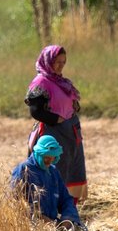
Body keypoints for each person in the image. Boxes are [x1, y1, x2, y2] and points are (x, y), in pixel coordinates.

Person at [25, 44, 88, 203]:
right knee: (54, 170)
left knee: (72, 168)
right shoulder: (41, 83)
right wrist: (56, 119)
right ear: (48, 61)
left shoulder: (62, 82)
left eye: (63, 62)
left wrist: (73, 107)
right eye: (57, 62)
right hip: (52, 135)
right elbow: (36, 111)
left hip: (70, 134)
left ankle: (69, 212)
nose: (61, 66)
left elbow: (68, 103)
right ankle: (50, 211)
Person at [10, 135, 90, 231]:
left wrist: (68, 218)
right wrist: (38, 217)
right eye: (46, 157)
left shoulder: (53, 172)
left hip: (53, 227)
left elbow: (66, 199)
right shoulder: (23, 170)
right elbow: (13, 203)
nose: (50, 161)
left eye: (53, 157)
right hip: (30, 230)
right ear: (39, 153)